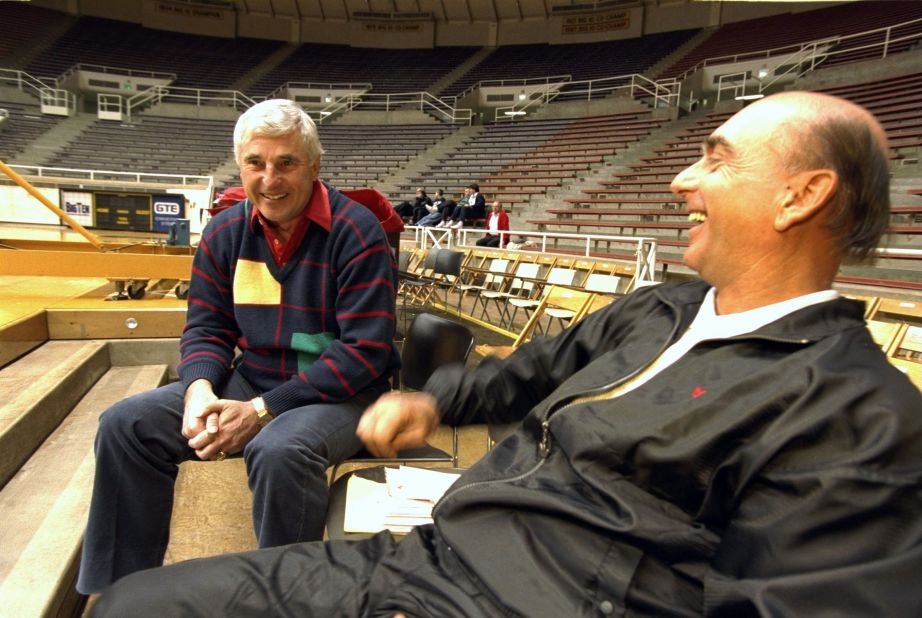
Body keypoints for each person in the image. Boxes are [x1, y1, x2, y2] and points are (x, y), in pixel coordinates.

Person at [90, 92, 922, 617]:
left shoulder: (858, 416)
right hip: (439, 552)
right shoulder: (659, 309)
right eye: (253, 165)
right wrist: (435, 401)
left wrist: (277, 406)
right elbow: (523, 372)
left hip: (541, 592)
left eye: (717, 160)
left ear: (802, 195)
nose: (682, 182)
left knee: (282, 445)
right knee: (139, 604)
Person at [76, 99, 401, 595]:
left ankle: (283, 600)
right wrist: (199, 391)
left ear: (314, 165)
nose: (269, 180)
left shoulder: (357, 232)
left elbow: (363, 352)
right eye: (256, 163)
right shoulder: (226, 232)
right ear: (240, 165)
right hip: (253, 378)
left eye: (286, 163)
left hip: (341, 393)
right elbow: (207, 328)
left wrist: (263, 409)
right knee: (125, 425)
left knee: (280, 451)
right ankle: (123, 594)